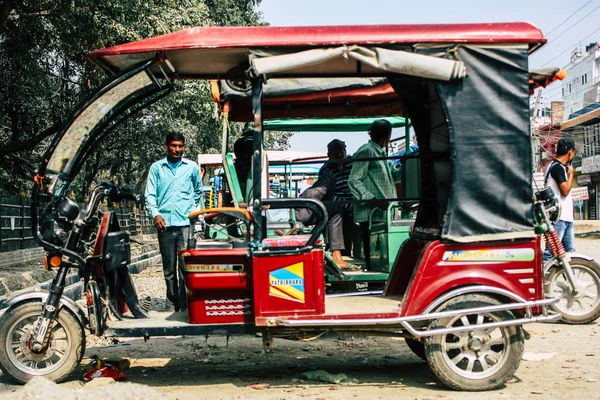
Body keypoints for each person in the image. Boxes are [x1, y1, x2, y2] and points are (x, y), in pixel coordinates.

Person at [145, 132, 202, 312]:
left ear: (184, 147)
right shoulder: (157, 168)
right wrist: (156, 214)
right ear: (166, 146)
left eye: (180, 146)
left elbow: (198, 191)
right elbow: (150, 195)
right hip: (165, 225)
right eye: (173, 146)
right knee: (169, 268)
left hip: (185, 225)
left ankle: (185, 305)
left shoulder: (192, 167)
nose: (177, 149)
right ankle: (171, 304)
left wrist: (192, 211)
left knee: (185, 267)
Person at [348, 119, 401, 269]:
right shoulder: (367, 150)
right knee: (374, 253)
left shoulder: (381, 154)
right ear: (388, 136)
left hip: (383, 212)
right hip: (372, 213)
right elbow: (353, 180)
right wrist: (373, 200)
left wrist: (408, 166)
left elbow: (394, 176)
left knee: (382, 254)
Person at [295, 172, 356, 270]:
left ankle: (336, 255)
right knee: (330, 180)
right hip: (293, 211)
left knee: (332, 207)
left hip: (297, 209)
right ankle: (337, 257)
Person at [319, 139, 360, 258]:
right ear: (328, 155)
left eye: (341, 151)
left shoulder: (353, 164)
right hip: (338, 205)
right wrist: (346, 204)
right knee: (340, 218)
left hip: (356, 203)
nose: (339, 154)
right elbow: (326, 194)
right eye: (335, 152)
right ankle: (341, 255)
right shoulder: (325, 170)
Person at [544, 137, 577, 260]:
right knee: (551, 253)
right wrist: (571, 174)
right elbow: (565, 191)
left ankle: (571, 278)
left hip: (565, 217)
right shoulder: (557, 168)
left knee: (570, 253)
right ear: (570, 152)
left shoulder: (553, 166)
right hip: (559, 218)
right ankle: (544, 278)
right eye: (574, 152)